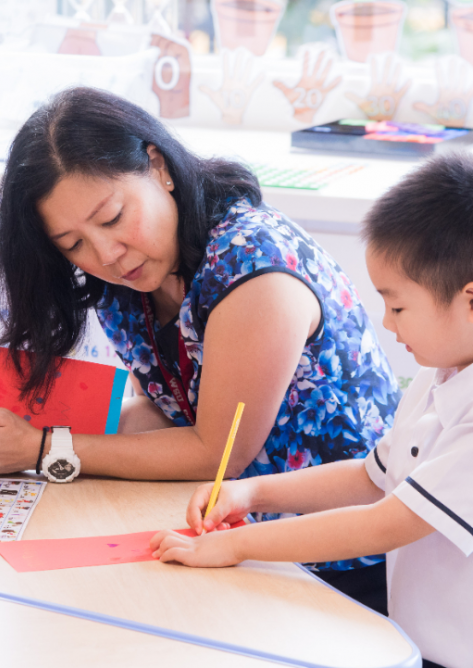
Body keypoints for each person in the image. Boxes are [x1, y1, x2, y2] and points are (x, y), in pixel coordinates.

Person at [0, 87, 399, 610]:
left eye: (111, 218)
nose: (106, 253)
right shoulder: (129, 281)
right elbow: (174, 409)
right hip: (234, 537)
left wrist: (44, 449)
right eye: (74, 245)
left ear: (158, 168)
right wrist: (24, 433)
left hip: (342, 560)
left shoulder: (252, 269)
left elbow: (215, 449)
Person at [151, 153, 473, 668]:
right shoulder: (441, 373)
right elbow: (374, 477)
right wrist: (251, 491)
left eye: (398, 306)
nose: (387, 325)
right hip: (413, 640)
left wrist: (236, 546)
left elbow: (384, 523)